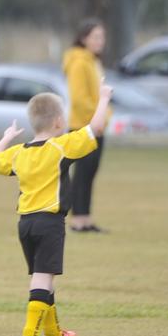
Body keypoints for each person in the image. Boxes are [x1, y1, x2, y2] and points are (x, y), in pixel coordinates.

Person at [0, 85, 112, 336]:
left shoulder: (19, 152)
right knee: (43, 280)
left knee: (44, 278)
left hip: (25, 225)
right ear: (58, 121)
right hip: (49, 223)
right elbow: (97, 128)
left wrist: (6, 137)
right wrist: (102, 98)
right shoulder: (61, 146)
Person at [63, 19, 110, 233]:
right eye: (96, 37)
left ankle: (86, 218)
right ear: (84, 39)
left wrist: (105, 114)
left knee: (90, 172)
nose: (101, 41)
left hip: (97, 125)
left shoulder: (93, 61)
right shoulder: (79, 62)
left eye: (102, 37)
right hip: (83, 127)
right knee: (81, 175)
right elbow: (79, 99)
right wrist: (96, 120)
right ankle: (77, 221)